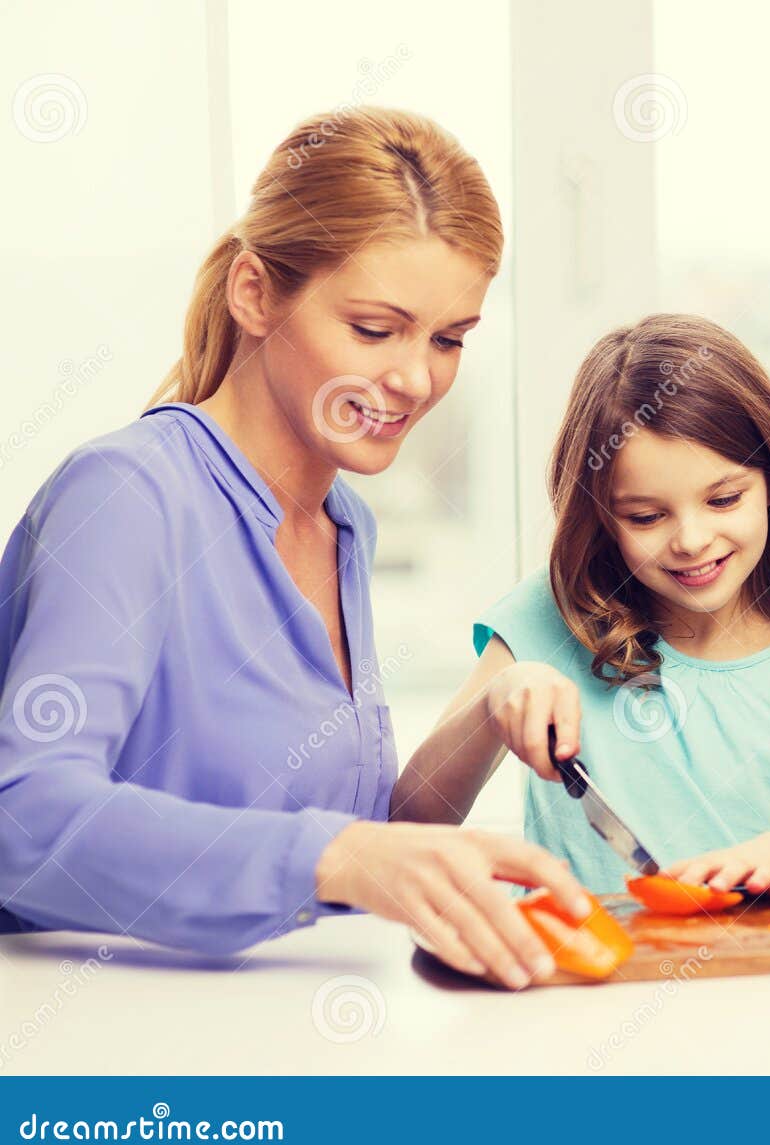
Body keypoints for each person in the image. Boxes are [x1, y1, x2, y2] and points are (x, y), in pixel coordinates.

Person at [0, 108, 588, 990]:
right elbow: (23, 819)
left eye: (449, 339)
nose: (416, 379)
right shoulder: (129, 496)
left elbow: (338, 841)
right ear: (255, 294)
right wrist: (341, 856)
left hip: (292, 1040)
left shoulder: (345, 526)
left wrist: (491, 704)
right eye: (373, 328)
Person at [393, 314, 770, 896]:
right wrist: (489, 708)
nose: (689, 540)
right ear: (602, 519)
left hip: (765, 971)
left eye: (724, 499)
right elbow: (413, 820)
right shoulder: (552, 615)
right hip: (578, 973)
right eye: (646, 517)